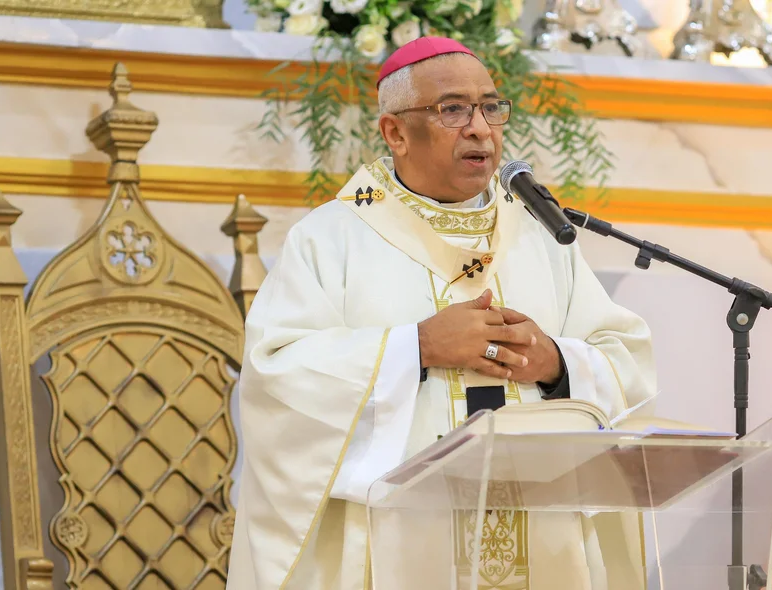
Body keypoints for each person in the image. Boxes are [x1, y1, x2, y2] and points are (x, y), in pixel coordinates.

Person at [226, 37, 656, 590]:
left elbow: (626, 357)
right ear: (395, 133)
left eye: (490, 107)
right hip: (395, 545)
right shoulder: (333, 237)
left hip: (542, 533)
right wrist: (417, 348)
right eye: (453, 109)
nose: (480, 127)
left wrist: (554, 362)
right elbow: (277, 375)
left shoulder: (540, 235)